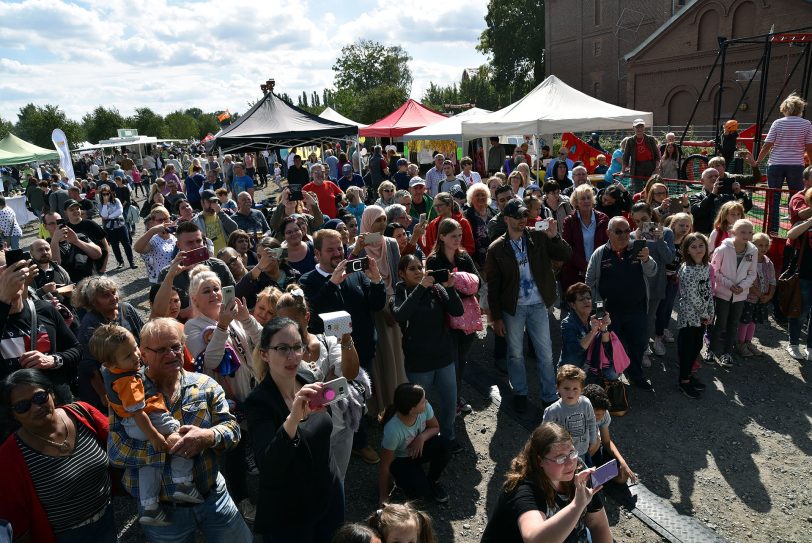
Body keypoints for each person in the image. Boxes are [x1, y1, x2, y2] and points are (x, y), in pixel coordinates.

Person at [107, 317, 252, 542]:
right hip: (164, 514)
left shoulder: (205, 385)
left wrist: (208, 436)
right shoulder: (126, 396)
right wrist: (168, 446)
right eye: (161, 349)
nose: (172, 354)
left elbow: (233, 430)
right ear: (142, 354)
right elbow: (117, 452)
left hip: (213, 497)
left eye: (175, 347)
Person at [245, 317, 345, 542]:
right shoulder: (259, 402)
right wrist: (293, 419)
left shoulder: (307, 378)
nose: (292, 356)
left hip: (328, 491)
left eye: (297, 347)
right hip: (291, 510)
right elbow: (268, 465)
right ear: (264, 354)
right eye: (282, 349)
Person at [91, 324, 200, 526]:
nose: (136, 356)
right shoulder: (128, 383)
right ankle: (182, 481)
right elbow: (138, 414)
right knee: (181, 436)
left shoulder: (111, 370)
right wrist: (155, 436)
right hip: (144, 421)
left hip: (134, 423)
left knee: (149, 464)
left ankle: (150, 506)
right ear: (110, 361)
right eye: (128, 356)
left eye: (135, 349)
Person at [0, 369, 116, 542]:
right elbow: (16, 518)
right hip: (66, 536)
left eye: (39, 397)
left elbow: (120, 444)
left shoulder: (82, 413)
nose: (36, 408)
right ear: (13, 414)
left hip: (107, 519)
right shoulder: (10, 455)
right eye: (22, 406)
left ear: (52, 393)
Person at [183, 265, 261, 519]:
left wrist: (246, 318)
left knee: (259, 441)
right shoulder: (193, 327)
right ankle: (240, 499)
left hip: (251, 390)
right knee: (234, 453)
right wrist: (224, 325)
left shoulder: (232, 318)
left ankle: (267, 487)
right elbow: (210, 362)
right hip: (227, 401)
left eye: (217, 288)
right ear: (195, 299)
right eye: (207, 291)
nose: (215, 294)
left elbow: (262, 340)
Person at [486, 200, 573, 412]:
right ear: (506, 219)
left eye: (525, 215)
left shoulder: (539, 236)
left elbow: (565, 255)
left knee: (545, 353)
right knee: (515, 353)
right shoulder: (496, 248)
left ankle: (549, 395)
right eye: (518, 216)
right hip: (513, 308)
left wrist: (555, 236)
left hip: (538, 304)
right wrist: (496, 317)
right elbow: (493, 287)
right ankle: (520, 392)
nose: (523, 220)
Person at [274, 290, 363, 480]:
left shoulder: (328, 341)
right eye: (281, 322)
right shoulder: (278, 351)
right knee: (311, 483)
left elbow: (350, 373)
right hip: (306, 431)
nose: (287, 327)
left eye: (293, 321)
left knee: (338, 479)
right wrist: (325, 383)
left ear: (306, 318)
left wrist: (346, 339)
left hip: (340, 427)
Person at [481, 422, 611, 543]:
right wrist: (577, 505)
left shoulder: (579, 471)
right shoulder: (522, 490)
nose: (570, 463)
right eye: (560, 458)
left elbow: (597, 524)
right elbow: (534, 539)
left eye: (572, 453)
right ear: (540, 461)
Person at [586, 216, 657, 390]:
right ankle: (612, 378)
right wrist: (599, 308)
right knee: (610, 346)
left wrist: (647, 259)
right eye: (618, 231)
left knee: (638, 344)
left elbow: (652, 272)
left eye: (627, 231)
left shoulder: (637, 249)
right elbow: (590, 282)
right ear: (608, 233)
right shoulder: (600, 253)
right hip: (611, 313)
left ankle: (636, 375)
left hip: (636, 309)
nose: (624, 235)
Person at [425, 218, 480, 414]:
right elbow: (436, 290)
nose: (458, 239)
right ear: (441, 237)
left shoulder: (464, 257)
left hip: (467, 318)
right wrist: (463, 286)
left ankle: (455, 396)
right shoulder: (433, 261)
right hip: (445, 318)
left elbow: (477, 283)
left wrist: (456, 285)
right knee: (452, 361)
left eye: (459, 236)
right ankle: (451, 400)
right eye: (453, 236)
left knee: (461, 359)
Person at [73, 275, 144, 411]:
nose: (113, 297)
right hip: (112, 382)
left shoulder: (126, 309)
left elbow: (142, 335)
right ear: (94, 302)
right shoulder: (90, 323)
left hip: (136, 370)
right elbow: (89, 365)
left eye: (114, 292)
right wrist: (102, 394)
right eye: (106, 296)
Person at [377, 383, 451, 505]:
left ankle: (433, 481)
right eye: (422, 401)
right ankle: (404, 480)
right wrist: (383, 495)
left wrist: (421, 437)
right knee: (421, 491)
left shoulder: (425, 408)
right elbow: (385, 465)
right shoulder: (393, 430)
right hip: (401, 460)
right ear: (412, 410)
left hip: (419, 449)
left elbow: (435, 427)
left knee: (444, 445)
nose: (426, 401)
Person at [150, 221, 235, 320]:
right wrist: (181, 313)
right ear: (178, 245)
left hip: (220, 322)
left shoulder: (218, 266)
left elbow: (234, 295)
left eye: (199, 241)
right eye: (190, 242)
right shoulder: (167, 273)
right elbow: (160, 310)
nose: (196, 246)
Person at [756, 93, 812, 234]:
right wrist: (811, 165)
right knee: (796, 195)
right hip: (796, 164)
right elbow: (809, 147)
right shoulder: (806, 124)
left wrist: (758, 161)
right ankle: (795, 227)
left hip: (776, 163)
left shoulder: (778, 123)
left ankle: (772, 229)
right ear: (800, 109)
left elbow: (767, 145)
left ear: (785, 108)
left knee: (774, 196)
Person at [708, 219, 758, 370]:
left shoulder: (753, 250)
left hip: (740, 295)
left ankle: (727, 352)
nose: (746, 235)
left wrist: (742, 287)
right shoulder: (722, 249)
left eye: (749, 232)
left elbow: (752, 273)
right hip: (723, 293)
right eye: (742, 232)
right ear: (733, 232)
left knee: (734, 323)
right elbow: (714, 271)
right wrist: (730, 285)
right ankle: (711, 349)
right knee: (720, 321)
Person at [629, 202, 675, 362]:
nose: (641, 224)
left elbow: (669, 259)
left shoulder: (667, 232)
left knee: (649, 318)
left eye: (644, 219)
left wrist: (660, 240)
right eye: (636, 221)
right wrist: (635, 241)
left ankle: (642, 350)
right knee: (637, 317)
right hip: (636, 284)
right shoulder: (632, 234)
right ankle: (639, 346)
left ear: (651, 215)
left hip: (656, 283)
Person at [676, 232, 714, 398]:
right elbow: (692, 296)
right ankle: (683, 381)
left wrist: (711, 311)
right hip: (690, 317)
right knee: (687, 348)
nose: (698, 249)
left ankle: (689, 376)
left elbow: (707, 291)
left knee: (697, 346)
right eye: (694, 247)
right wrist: (706, 314)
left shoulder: (705, 266)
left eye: (701, 245)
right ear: (687, 250)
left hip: (702, 316)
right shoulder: (688, 269)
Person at [542, 365, 598, 463]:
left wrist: (593, 440)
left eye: (575, 388)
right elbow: (545, 434)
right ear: (558, 388)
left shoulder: (586, 403)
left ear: (582, 389)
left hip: (583, 450)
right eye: (566, 388)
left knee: (585, 475)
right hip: (563, 456)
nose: (570, 393)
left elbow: (591, 421)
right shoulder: (552, 411)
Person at [560, 185, 609, 297]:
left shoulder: (603, 219)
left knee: (599, 308)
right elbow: (567, 248)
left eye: (588, 197)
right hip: (576, 274)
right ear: (576, 202)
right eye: (582, 198)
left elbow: (608, 245)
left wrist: (595, 266)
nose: (586, 201)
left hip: (599, 272)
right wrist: (585, 266)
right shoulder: (569, 221)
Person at [582, 384, 636, 484]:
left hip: (596, 450)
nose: (600, 417)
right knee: (596, 441)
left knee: (622, 476)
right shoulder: (576, 417)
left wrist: (622, 462)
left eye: (603, 414)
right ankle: (587, 478)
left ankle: (592, 479)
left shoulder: (604, 414)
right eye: (597, 414)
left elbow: (606, 441)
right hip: (581, 454)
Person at [559, 283, 614, 379]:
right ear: (573, 305)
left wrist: (603, 328)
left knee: (613, 371)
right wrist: (593, 331)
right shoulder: (567, 324)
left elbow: (606, 345)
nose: (586, 301)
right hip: (572, 371)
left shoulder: (593, 318)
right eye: (581, 299)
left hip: (590, 367)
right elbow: (575, 350)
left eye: (588, 298)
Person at [735, 232, 775, 358]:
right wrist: (758, 293)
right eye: (760, 245)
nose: (763, 248)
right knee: (745, 320)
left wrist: (769, 295)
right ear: (752, 245)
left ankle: (748, 342)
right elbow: (746, 278)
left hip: (761, 299)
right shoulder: (748, 259)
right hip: (749, 298)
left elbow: (773, 280)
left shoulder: (769, 263)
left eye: (766, 245)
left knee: (753, 321)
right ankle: (740, 343)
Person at [42, 211, 101, 283]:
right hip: (73, 288)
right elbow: (55, 266)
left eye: (59, 222)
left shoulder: (78, 236)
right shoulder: (45, 246)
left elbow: (98, 254)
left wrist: (77, 241)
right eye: (52, 224)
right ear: (45, 227)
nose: (56, 226)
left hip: (93, 282)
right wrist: (55, 240)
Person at [690, 168, 753, 235]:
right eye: (710, 176)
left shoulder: (728, 196)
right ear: (702, 181)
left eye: (716, 176)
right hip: (704, 235)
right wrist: (713, 194)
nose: (714, 178)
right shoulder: (696, 196)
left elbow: (747, 207)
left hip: (725, 234)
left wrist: (739, 193)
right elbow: (698, 212)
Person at [63, 198, 110, 273]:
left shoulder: (90, 224)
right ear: (65, 212)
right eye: (72, 210)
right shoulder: (65, 228)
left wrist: (104, 267)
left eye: (77, 208)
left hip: (95, 267)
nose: (76, 211)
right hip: (75, 270)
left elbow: (105, 245)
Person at [194, 190, 238, 255]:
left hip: (227, 255)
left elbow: (234, 229)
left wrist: (220, 213)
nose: (213, 204)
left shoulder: (223, 214)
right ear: (202, 203)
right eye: (209, 202)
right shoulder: (196, 221)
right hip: (211, 258)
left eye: (215, 201)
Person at [622, 119, 661, 193]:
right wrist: (622, 171)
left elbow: (657, 155)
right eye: (637, 127)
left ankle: (649, 203)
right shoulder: (630, 140)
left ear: (644, 128)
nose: (639, 129)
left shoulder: (650, 139)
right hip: (636, 168)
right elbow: (626, 157)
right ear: (634, 128)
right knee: (638, 190)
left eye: (641, 127)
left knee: (650, 189)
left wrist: (657, 168)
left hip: (650, 167)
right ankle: (638, 203)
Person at [464, 183, 495, 270]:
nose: (481, 197)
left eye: (483, 195)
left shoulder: (494, 213)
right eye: (477, 195)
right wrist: (472, 260)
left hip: (495, 258)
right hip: (477, 261)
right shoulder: (466, 216)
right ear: (471, 198)